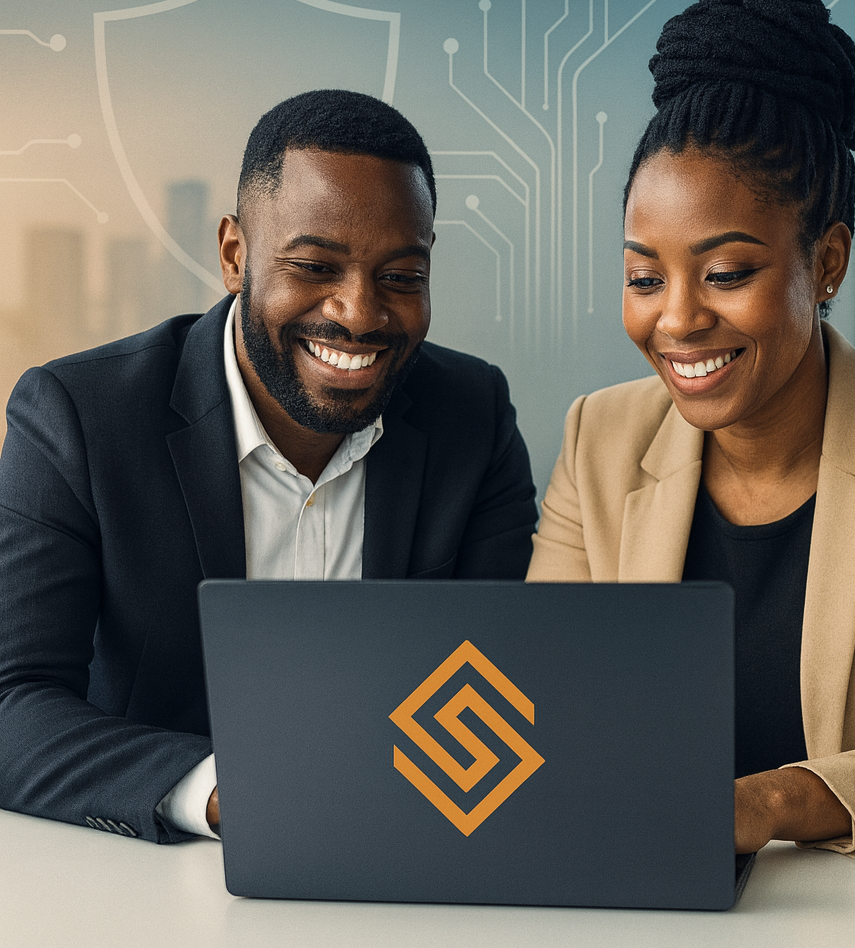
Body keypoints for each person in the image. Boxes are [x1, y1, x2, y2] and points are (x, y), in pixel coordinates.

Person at [527, 0, 855, 858]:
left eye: (725, 274)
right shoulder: (598, 439)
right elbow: (540, 706)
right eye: (645, 278)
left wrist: (767, 806)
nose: (676, 320)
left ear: (825, 262)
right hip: (644, 901)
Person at [0, 89, 537, 844]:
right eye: (315, 266)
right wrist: (232, 794)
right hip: (147, 882)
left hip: (406, 854)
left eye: (401, 277)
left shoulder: (471, 417)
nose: (359, 313)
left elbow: (502, 681)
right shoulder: (77, 418)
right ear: (234, 255)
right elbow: (13, 706)